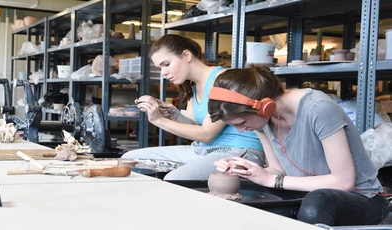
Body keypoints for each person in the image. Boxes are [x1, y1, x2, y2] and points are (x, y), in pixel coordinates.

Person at [207, 64, 391, 226]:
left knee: (316, 203)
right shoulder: (261, 122)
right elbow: (277, 171)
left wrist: (271, 180)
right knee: (250, 192)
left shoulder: (318, 108)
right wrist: (248, 171)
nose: (240, 130)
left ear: (265, 106)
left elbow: (344, 182)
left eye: (241, 122)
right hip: (307, 192)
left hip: (362, 198)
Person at [121, 34, 265, 180]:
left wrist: (157, 120)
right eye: (160, 68)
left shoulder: (223, 80)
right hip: (203, 150)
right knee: (128, 160)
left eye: (166, 64)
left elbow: (206, 134)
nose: (163, 73)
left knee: (175, 179)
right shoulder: (193, 86)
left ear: (186, 56)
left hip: (238, 152)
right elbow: (194, 126)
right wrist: (174, 115)